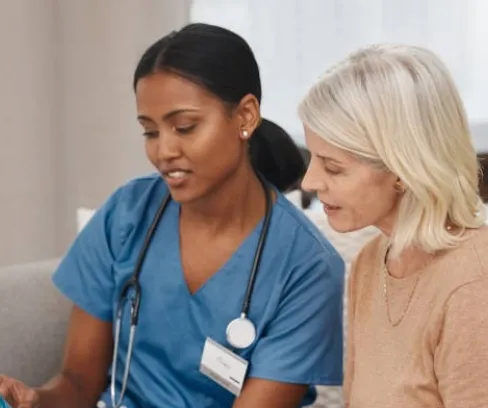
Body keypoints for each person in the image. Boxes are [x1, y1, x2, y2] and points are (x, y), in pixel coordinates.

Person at [0, 23, 345, 408]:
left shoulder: (306, 265)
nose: (164, 151)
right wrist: (34, 401)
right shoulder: (127, 213)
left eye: (184, 127)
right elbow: (79, 383)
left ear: (245, 116)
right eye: (150, 132)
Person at [297, 43, 488, 408]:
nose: (309, 181)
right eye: (312, 159)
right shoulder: (372, 261)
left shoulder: (474, 287)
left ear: (401, 170)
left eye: (332, 166)